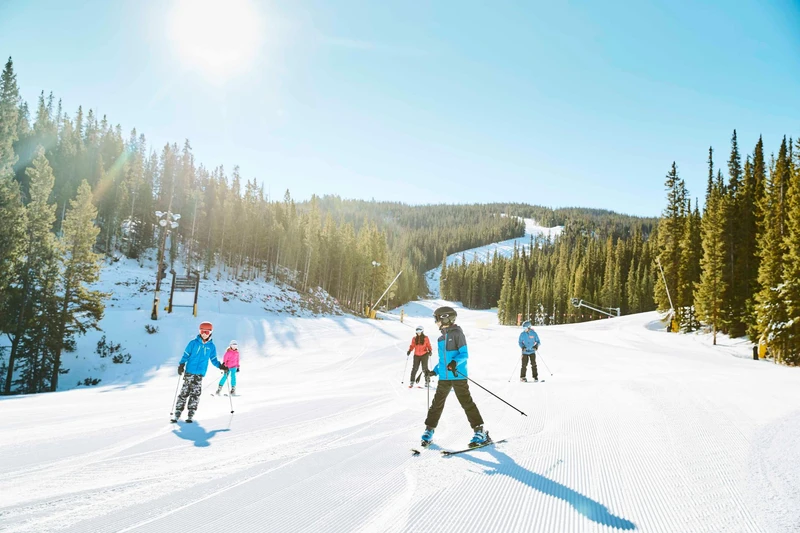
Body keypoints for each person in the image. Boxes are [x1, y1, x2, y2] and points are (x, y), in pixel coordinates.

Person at [420, 306, 489, 448]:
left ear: (446, 318)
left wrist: (454, 362)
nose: (436, 322)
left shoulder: (458, 334)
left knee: (466, 403)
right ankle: (429, 430)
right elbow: (442, 361)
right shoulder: (440, 338)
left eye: (437, 319)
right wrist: (434, 372)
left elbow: (464, 354)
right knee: (436, 404)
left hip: (458, 376)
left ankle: (479, 431)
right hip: (444, 377)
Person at [173, 321, 225, 423]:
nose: (204, 333)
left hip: (200, 374)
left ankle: (191, 413)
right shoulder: (193, 343)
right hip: (189, 372)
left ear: (210, 332)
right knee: (184, 392)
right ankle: (178, 412)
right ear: (199, 331)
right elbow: (186, 354)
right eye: (202, 331)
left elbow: (213, 359)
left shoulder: (211, 346)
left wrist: (220, 366)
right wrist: (181, 364)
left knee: (195, 393)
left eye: (207, 331)